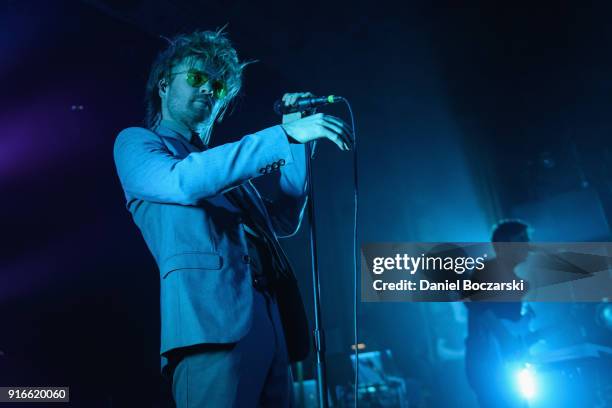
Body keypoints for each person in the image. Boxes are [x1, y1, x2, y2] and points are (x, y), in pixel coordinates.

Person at [113, 29, 352, 407]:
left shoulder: (227, 170)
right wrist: (282, 135)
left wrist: (298, 144)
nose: (208, 88)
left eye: (218, 86)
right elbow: (183, 182)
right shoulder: (138, 143)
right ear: (163, 85)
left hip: (269, 319)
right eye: (195, 78)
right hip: (209, 325)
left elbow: (284, 221)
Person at [464, 220, 533, 408]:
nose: (528, 243)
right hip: (489, 368)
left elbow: (515, 331)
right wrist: (503, 335)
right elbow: (472, 301)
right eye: (521, 239)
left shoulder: (519, 282)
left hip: (506, 367)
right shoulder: (486, 270)